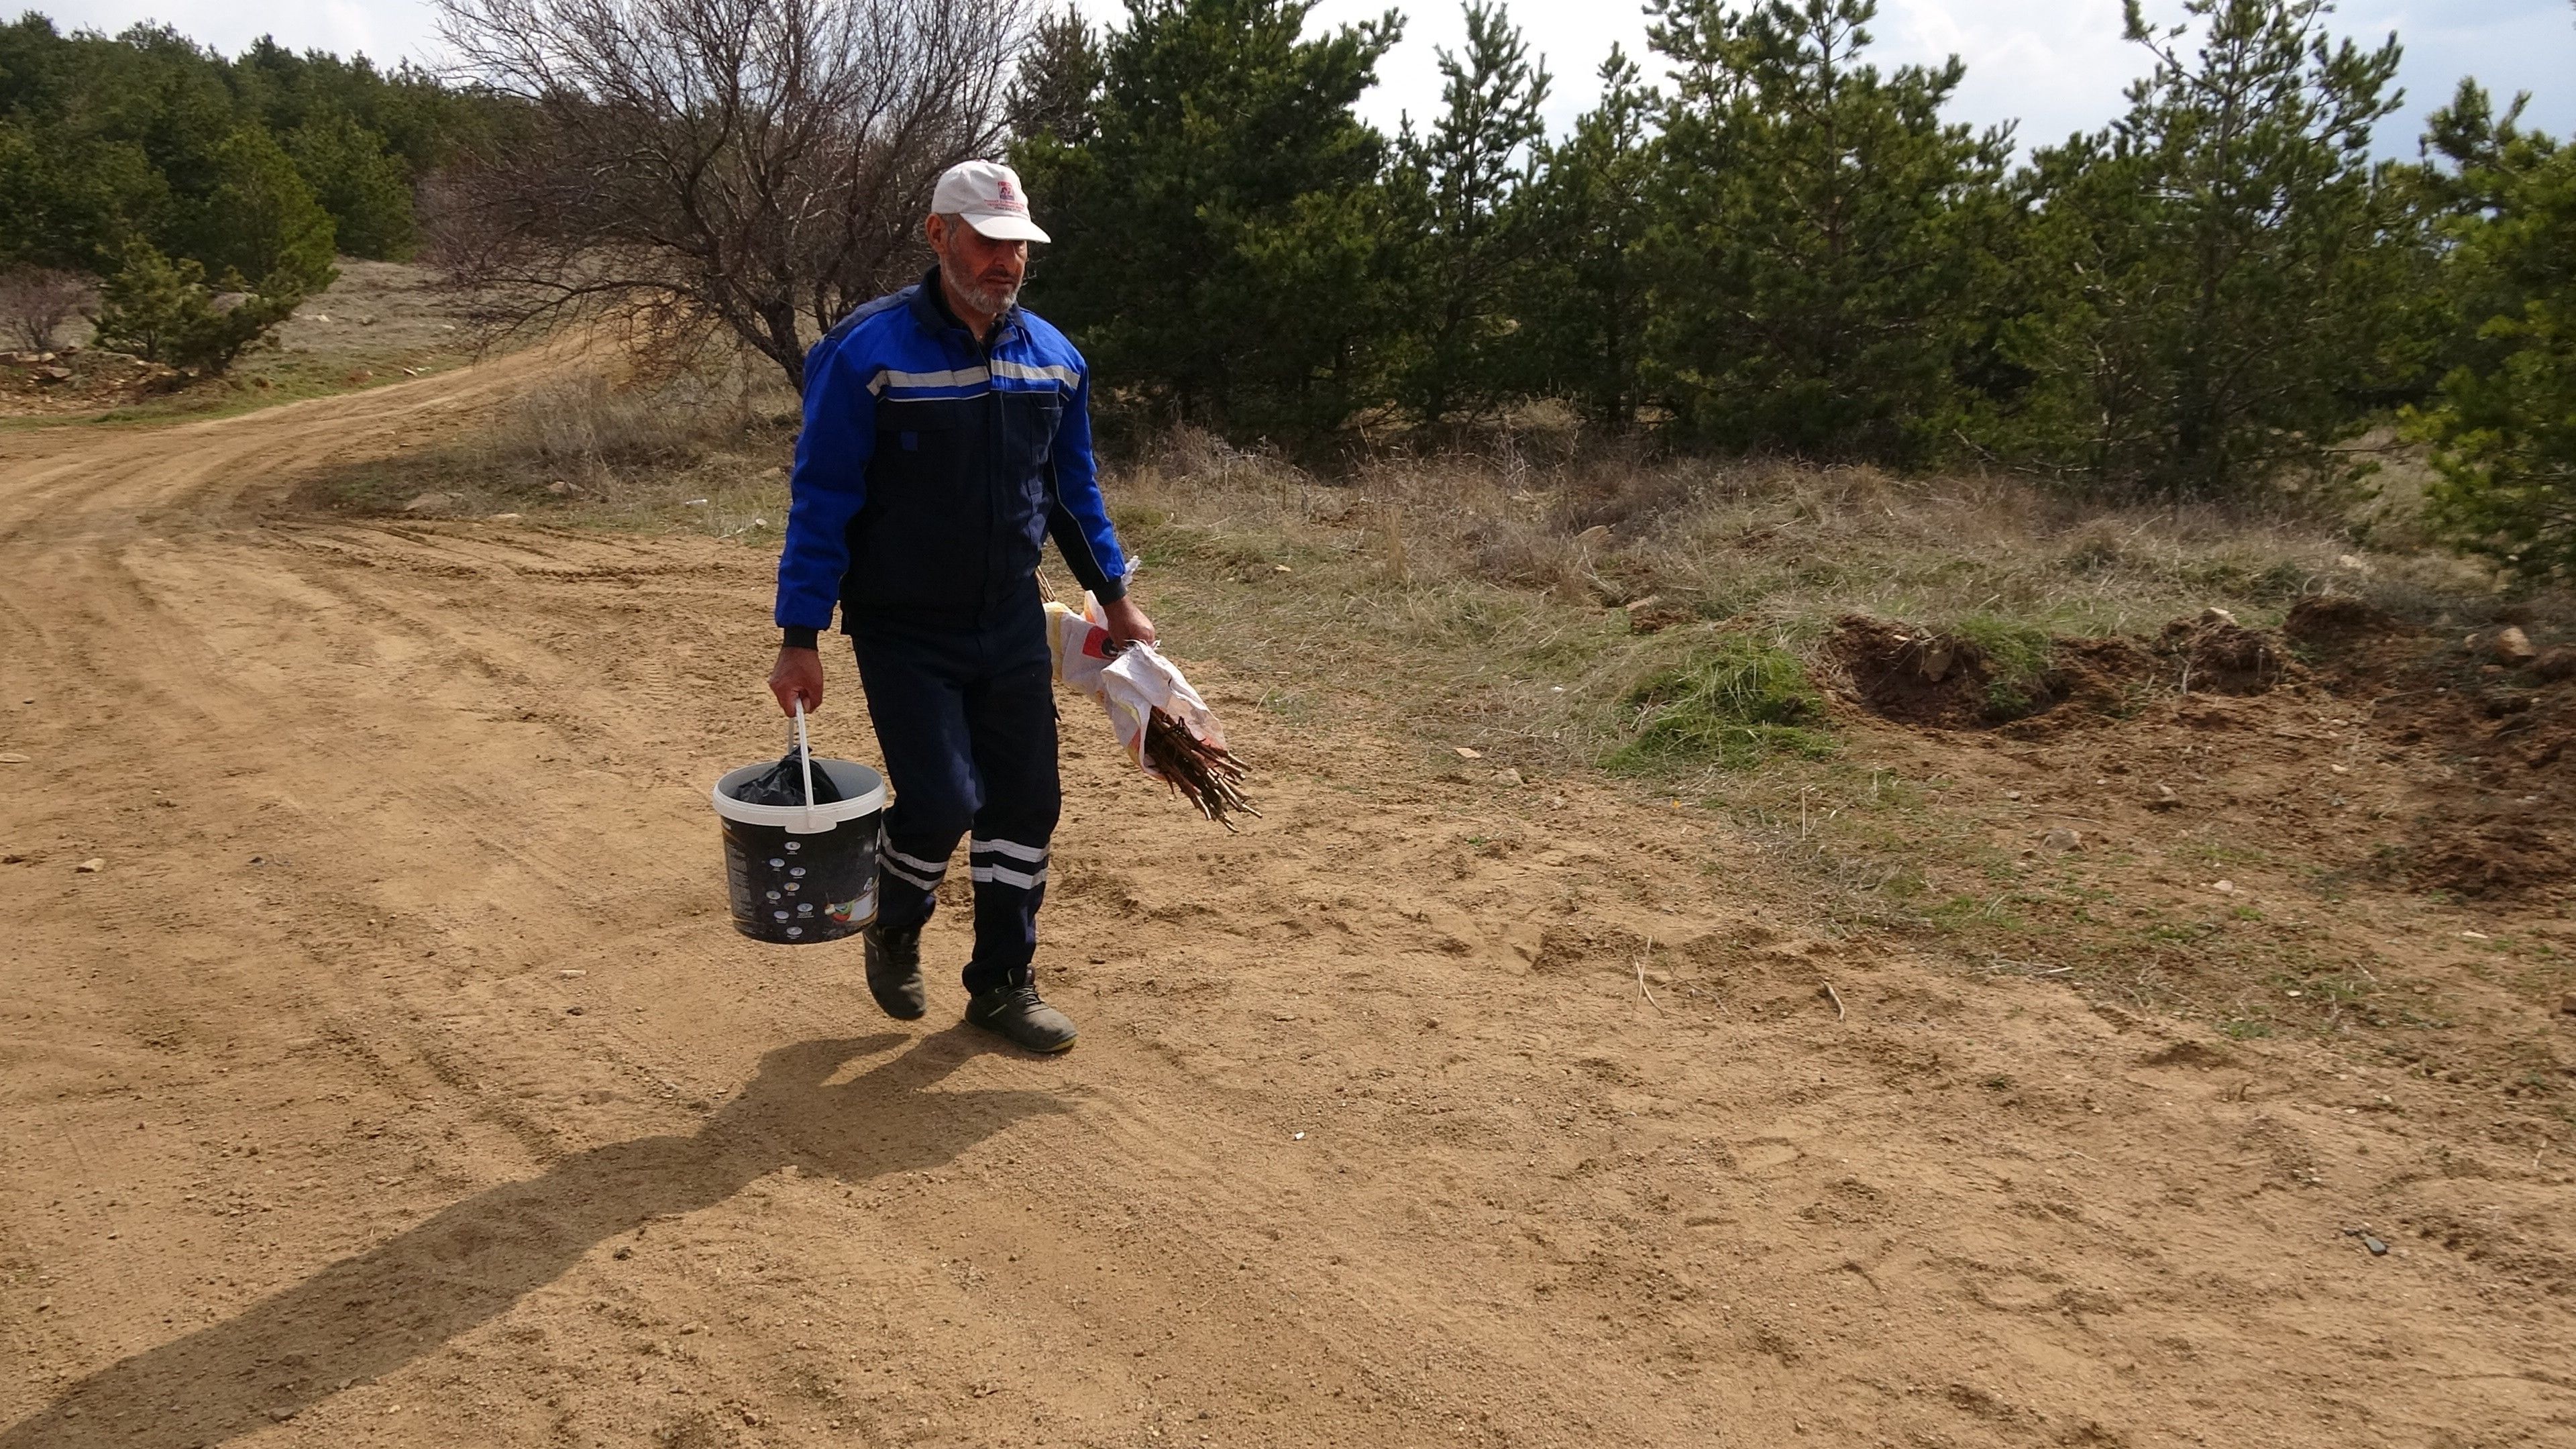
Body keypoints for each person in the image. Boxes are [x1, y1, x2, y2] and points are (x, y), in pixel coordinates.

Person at [766, 159, 1151, 1053]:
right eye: (987, 241)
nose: (1006, 263)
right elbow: (822, 498)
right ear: (939, 235)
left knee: (1027, 802)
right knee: (943, 798)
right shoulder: (864, 354)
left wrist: (1117, 599)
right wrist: (800, 638)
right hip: (904, 624)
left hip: (1011, 616)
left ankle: (1003, 984)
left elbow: (1072, 492)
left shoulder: (1055, 360)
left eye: (1019, 246)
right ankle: (895, 922)